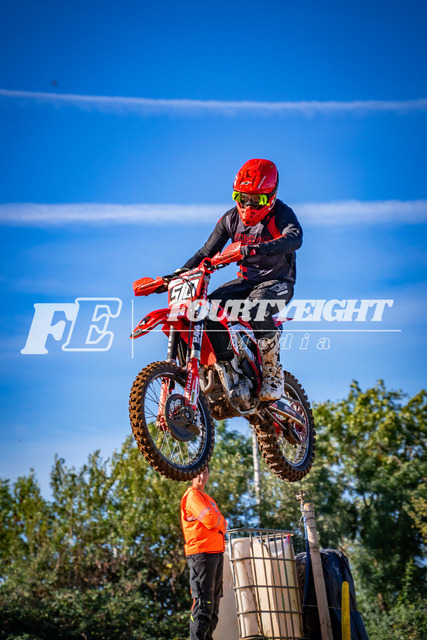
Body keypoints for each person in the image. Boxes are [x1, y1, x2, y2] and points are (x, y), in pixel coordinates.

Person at [181, 158, 303, 402]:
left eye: (256, 200)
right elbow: (205, 253)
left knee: (258, 307)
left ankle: (272, 373)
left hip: (278, 283)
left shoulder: (281, 213)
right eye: (242, 198)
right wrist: (177, 274)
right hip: (246, 282)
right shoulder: (230, 219)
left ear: (271, 197)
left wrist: (257, 248)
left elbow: (295, 238)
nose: (248, 205)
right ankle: (226, 367)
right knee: (207, 308)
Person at [181, 466, 227, 640]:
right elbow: (210, 519)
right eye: (199, 472)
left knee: (213, 606)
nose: (202, 476)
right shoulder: (192, 496)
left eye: (206, 472)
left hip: (216, 554)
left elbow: (223, 524)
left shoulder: (208, 499)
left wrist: (218, 520)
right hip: (201, 555)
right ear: (192, 475)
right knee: (203, 603)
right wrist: (218, 520)